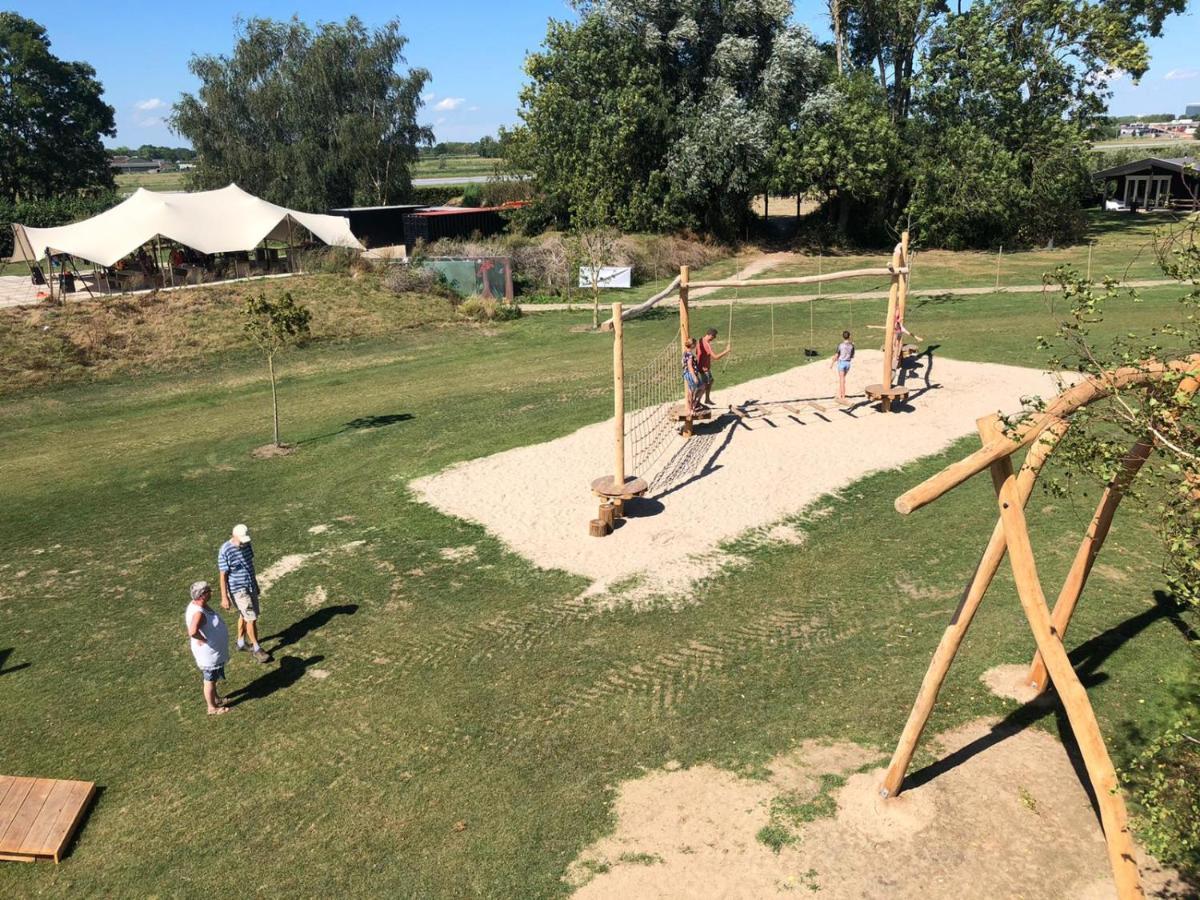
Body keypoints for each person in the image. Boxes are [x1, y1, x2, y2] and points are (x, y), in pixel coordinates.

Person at [218, 524, 271, 663]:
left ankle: (241, 643)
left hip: (250, 585)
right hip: (238, 590)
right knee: (251, 618)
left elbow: (249, 566)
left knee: (245, 614)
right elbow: (223, 575)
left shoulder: (246, 544)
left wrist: (256, 584)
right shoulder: (225, 550)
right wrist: (224, 597)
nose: (244, 542)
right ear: (234, 536)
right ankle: (257, 648)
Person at [185, 581, 230, 715]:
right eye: (208, 591)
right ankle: (212, 707)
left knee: (213, 678)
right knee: (209, 680)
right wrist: (202, 639)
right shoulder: (199, 612)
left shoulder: (198, 605)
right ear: (202, 595)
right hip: (208, 654)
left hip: (213, 652)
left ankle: (216, 699)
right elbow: (192, 631)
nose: (211, 592)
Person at [695, 327, 732, 407]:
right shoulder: (706, 344)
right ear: (710, 335)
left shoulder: (700, 340)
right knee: (704, 386)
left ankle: (707, 399)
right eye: (714, 337)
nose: (714, 338)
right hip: (703, 369)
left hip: (703, 367)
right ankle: (696, 402)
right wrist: (726, 351)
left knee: (710, 381)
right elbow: (715, 357)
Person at [830, 330, 855, 402]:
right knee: (843, 379)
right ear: (849, 336)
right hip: (848, 364)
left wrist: (832, 363)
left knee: (842, 380)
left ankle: (842, 396)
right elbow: (852, 356)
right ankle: (839, 394)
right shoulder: (852, 345)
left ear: (843, 337)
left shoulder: (840, 345)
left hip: (841, 363)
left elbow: (837, 355)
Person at [682, 338, 702, 415]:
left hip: (687, 374)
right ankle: (691, 409)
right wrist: (694, 376)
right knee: (691, 392)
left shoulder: (685, 352)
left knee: (702, 387)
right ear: (692, 345)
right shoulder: (690, 354)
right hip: (690, 374)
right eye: (695, 344)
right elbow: (690, 366)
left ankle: (693, 406)